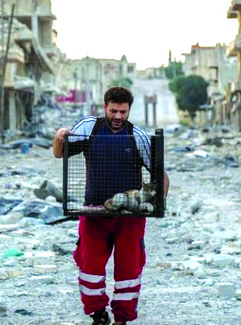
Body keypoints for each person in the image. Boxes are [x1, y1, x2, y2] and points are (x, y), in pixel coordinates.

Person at [53, 87, 169, 325]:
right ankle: (98, 313)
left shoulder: (138, 136)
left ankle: (122, 319)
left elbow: (159, 173)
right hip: (94, 211)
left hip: (130, 217)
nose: (118, 116)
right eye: (114, 110)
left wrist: (159, 201)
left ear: (129, 111)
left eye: (123, 112)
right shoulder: (88, 128)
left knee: (129, 268)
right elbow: (59, 153)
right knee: (89, 265)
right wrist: (59, 135)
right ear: (104, 107)